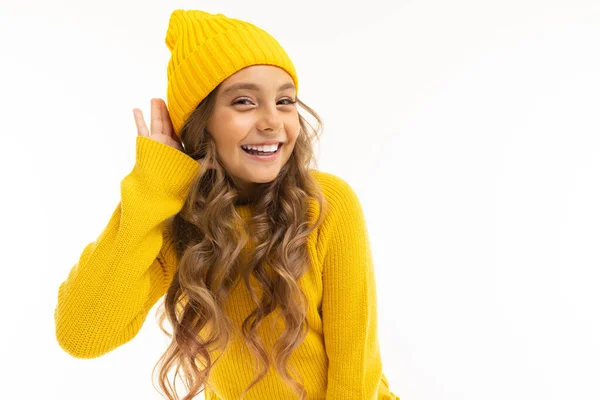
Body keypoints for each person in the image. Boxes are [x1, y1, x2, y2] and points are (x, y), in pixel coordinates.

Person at [53, 8, 400, 400]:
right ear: (203, 123)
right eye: (244, 102)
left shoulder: (326, 204)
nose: (272, 121)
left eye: (285, 100)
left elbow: (356, 372)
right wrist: (153, 186)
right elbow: (81, 334)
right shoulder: (179, 223)